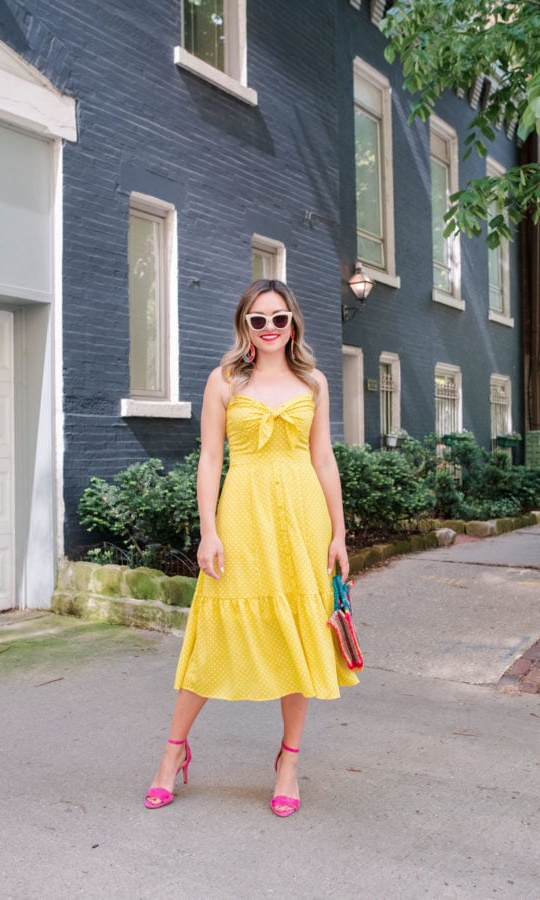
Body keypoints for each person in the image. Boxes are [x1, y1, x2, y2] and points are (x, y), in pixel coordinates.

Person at [144, 279, 359, 817]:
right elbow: (210, 460)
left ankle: (288, 762)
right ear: (245, 324)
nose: (268, 328)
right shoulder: (223, 381)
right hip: (241, 515)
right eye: (258, 319)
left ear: (293, 325)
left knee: (298, 638)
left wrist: (338, 533)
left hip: (303, 519)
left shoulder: (313, 380)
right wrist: (208, 530)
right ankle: (172, 755)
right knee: (216, 631)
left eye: (278, 319)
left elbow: (324, 460)